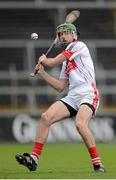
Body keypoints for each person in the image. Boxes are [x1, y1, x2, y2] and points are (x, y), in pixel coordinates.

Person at [15, 23, 105, 173]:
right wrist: (42, 72)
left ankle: (97, 163)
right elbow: (60, 86)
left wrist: (45, 60)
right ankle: (33, 159)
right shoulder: (66, 62)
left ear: (74, 36)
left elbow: (53, 62)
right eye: (60, 34)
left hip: (88, 93)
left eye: (66, 33)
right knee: (45, 117)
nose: (63, 36)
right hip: (73, 96)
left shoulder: (78, 46)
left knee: (80, 124)